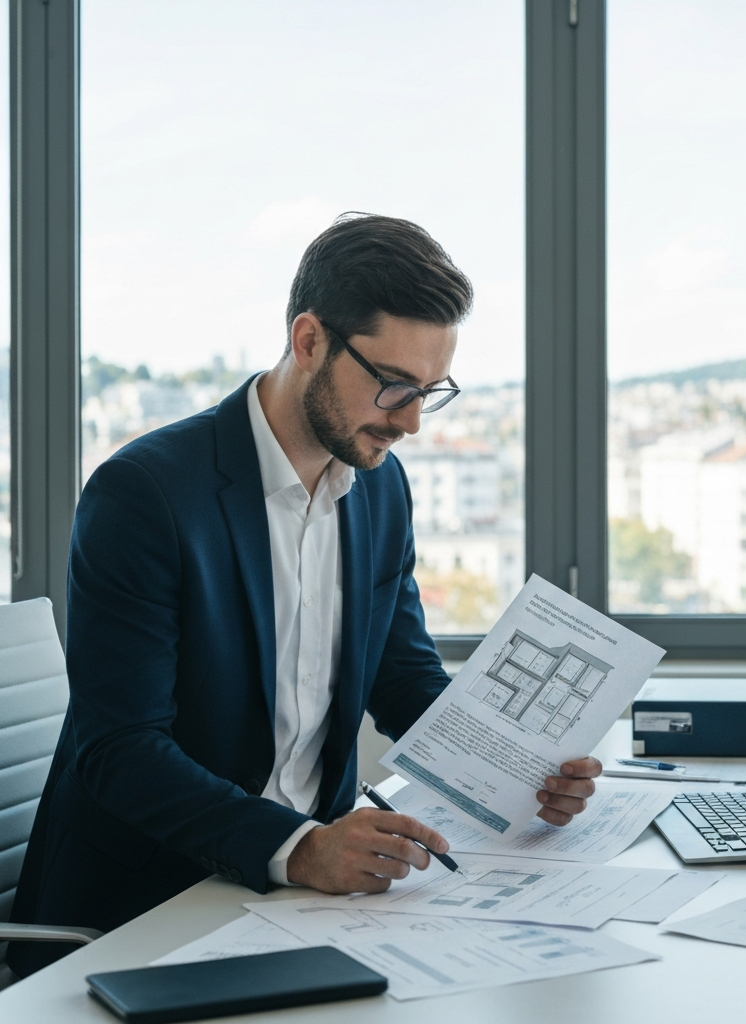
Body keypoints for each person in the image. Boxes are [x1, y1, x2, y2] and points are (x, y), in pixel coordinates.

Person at [9, 214, 602, 977]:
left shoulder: (379, 492)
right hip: (150, 905)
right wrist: (301, 848)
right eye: (393, 386)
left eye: (431, 392)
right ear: (309, 341)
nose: (413, 422)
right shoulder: (148, 495)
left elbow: (403, 679)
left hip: (305, 902)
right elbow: (119, 751)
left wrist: (524, 770)